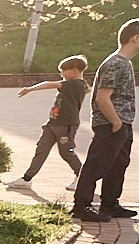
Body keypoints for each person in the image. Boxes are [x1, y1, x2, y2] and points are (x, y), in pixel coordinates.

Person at [73, 18, 139, 223]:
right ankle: (81, 207)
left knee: (118, 164)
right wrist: (116, 123)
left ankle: (110, 203)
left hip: (122, 122)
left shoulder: (124, 63)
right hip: (111, 123)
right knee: (97, 163)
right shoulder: (115, 63)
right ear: (136, 38)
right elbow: (102, 97)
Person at [12, 56, 89, 189]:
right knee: (41, 150)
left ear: (75, 71)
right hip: (53, 123)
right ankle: (27, 179)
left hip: (66, 124)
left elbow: (49, 83)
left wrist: (29, 89)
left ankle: (83, 178)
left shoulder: (75, 84)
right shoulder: (79, 85)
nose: (61, 74)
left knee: (66, 152)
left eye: (64, 71)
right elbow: (88, 89)